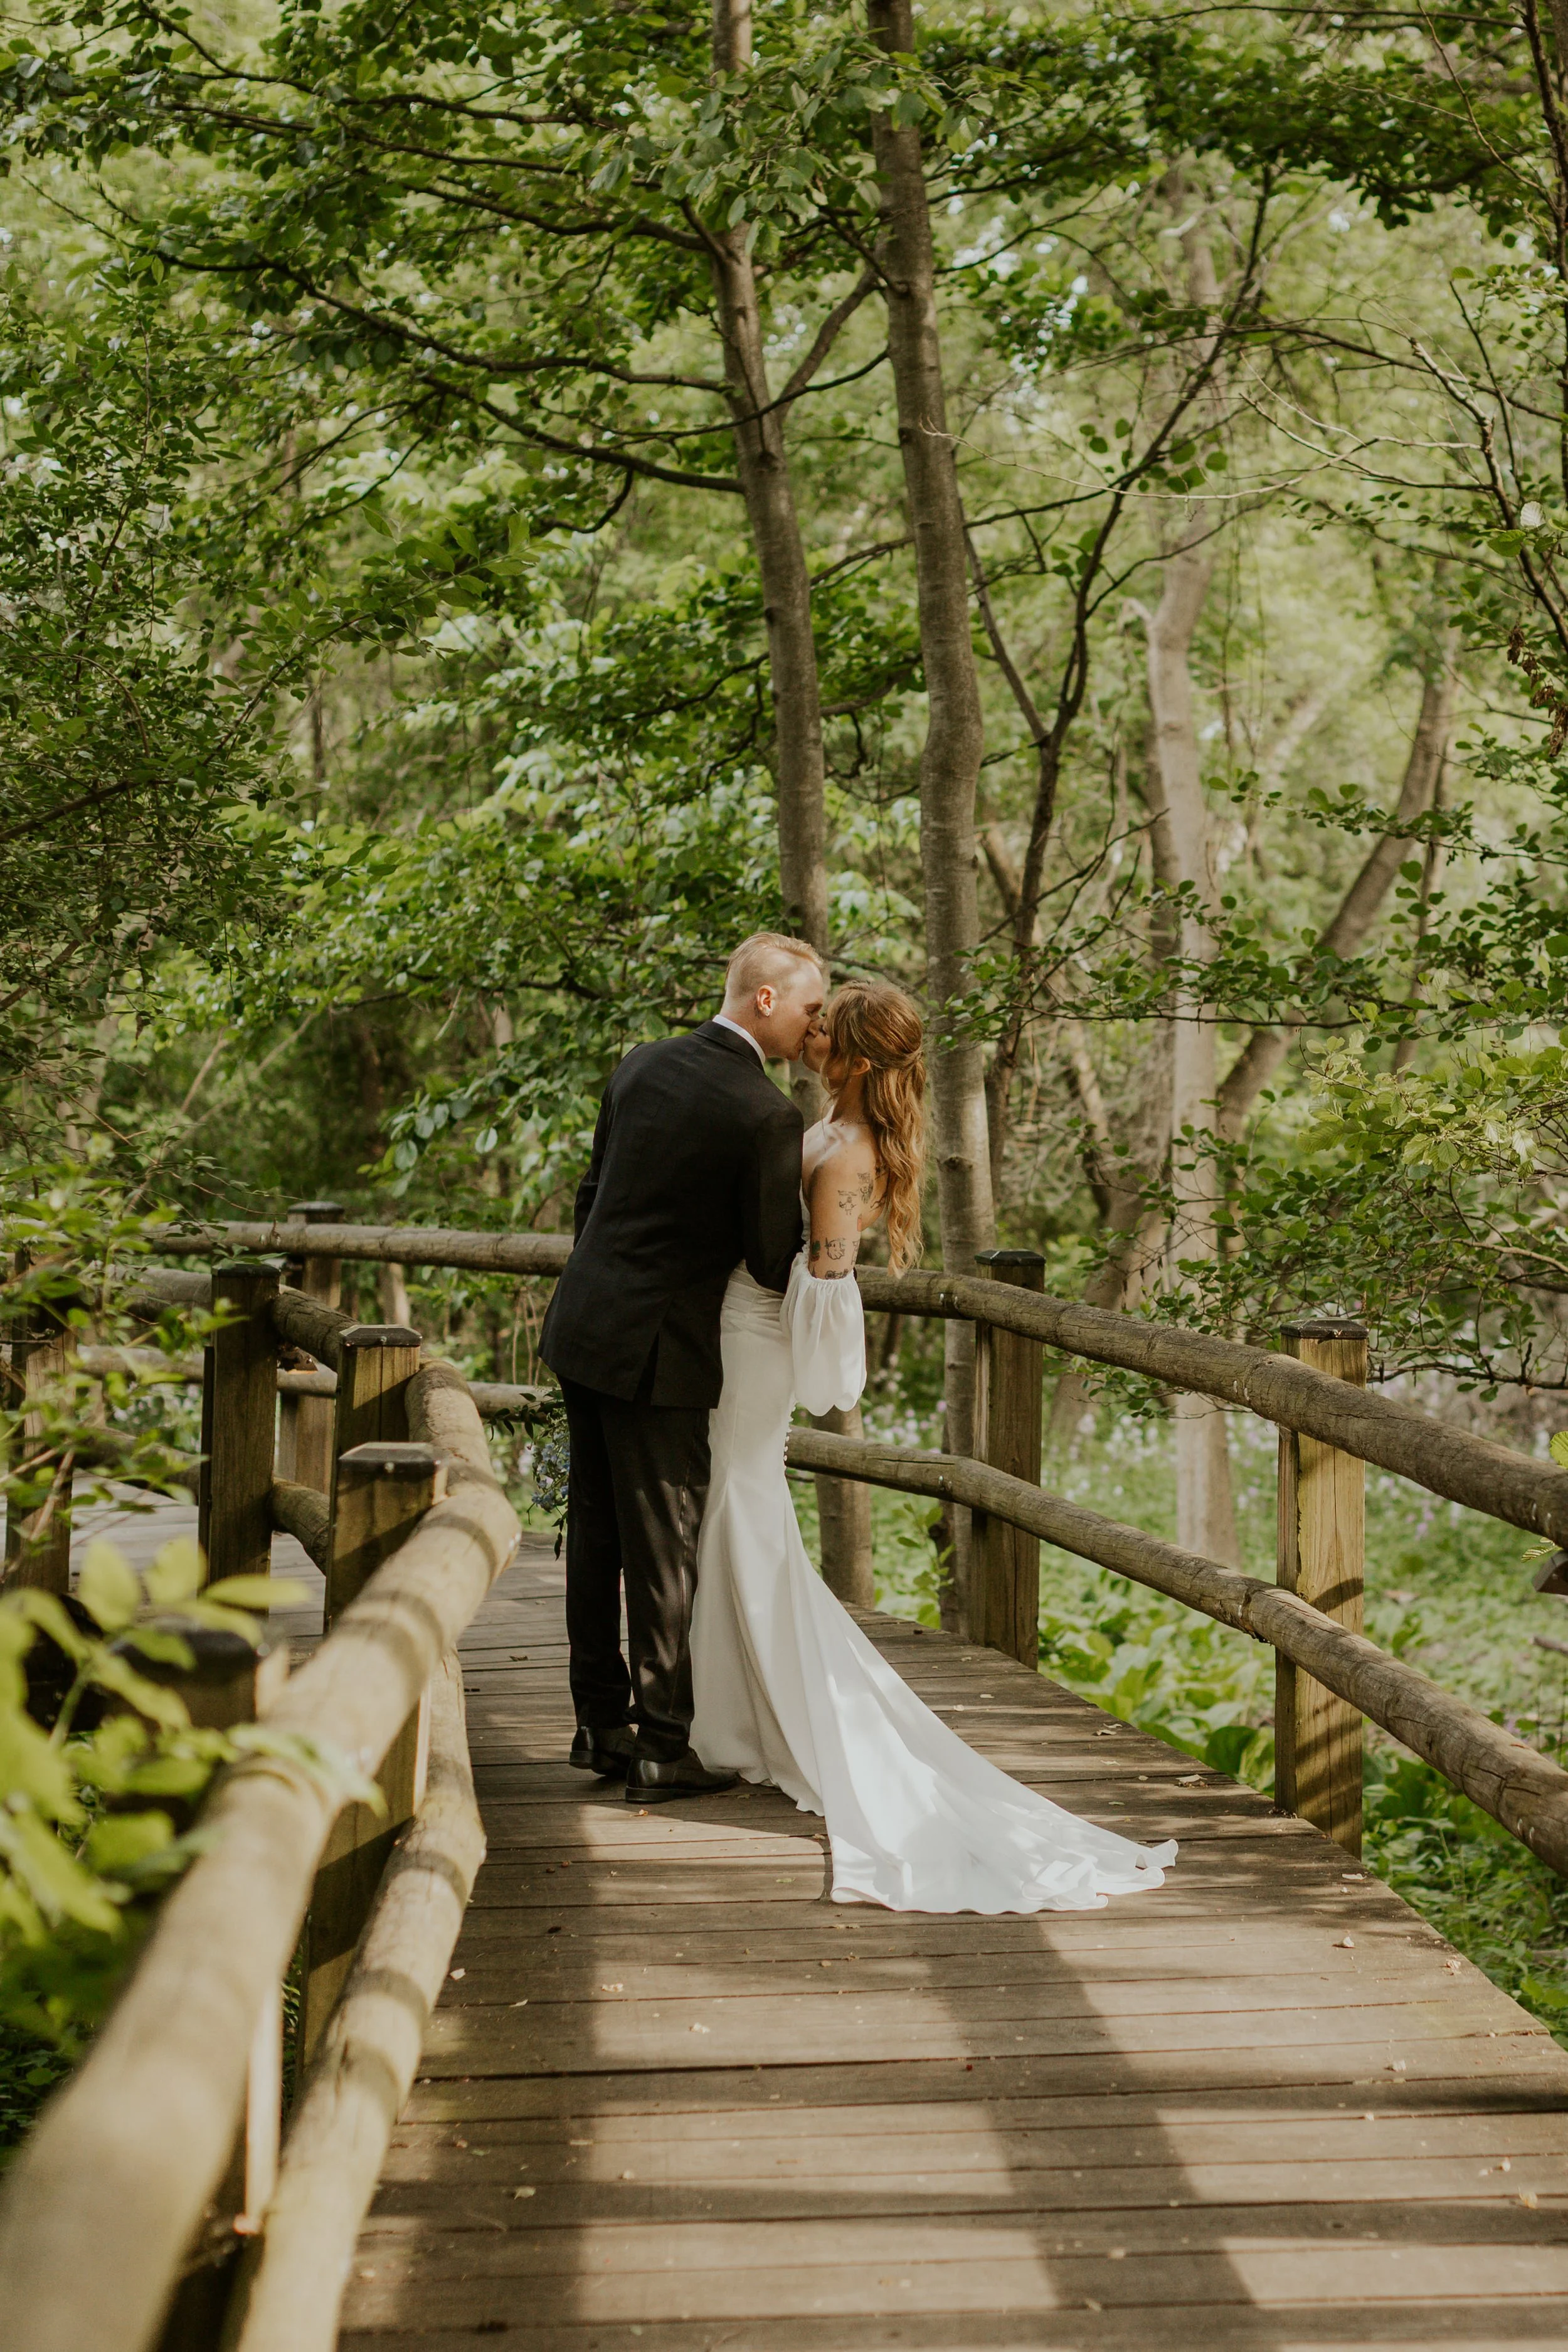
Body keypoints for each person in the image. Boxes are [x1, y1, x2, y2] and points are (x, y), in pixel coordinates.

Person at [685, 977, 1178, 1912]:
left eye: (825, 1027)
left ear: (859, 1060)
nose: (811, 1030)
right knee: (734, 1510)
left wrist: (772, 1318)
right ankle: (738, 1718)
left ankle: (752, 1724)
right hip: (738, 1330)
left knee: (740, 1503)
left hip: (758, 1344)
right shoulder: (825, 1128)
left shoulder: (844, 1154)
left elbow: (828, 1283)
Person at [539, 930, 825, 1805]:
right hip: (660, 1350)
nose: (815, 1028)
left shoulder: (641, 1063)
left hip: (584, 1323)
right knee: (663, 1543)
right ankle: (665, 1743)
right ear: (765, 998)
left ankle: (601, 1722)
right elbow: (772, 1258)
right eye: (811, 1008)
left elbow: (594, 1195)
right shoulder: (764, 1114)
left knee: (594, 1532)